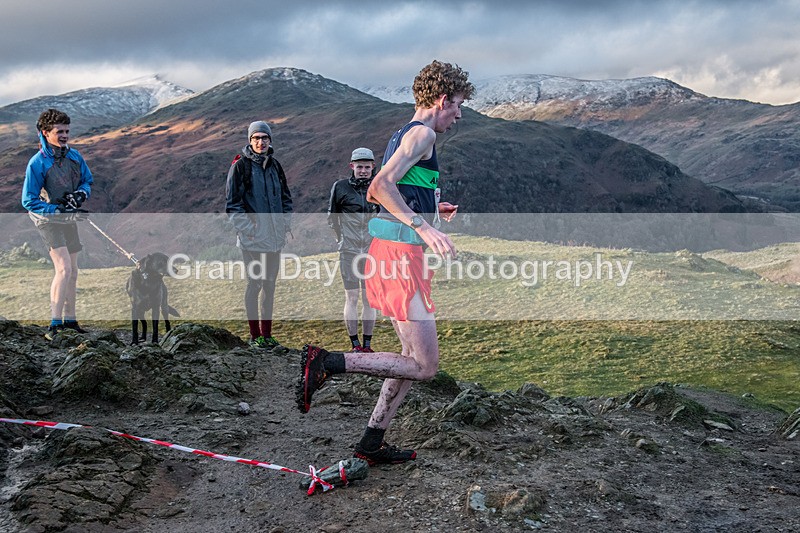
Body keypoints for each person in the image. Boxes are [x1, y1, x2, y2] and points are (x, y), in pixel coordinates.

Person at [297, 60, 472, 466]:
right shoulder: (424, 133)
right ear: (442, 100)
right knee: (426, 366)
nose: (460, 114)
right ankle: (327, 362)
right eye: (458, 105)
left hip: (391, 253)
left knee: (409, 360)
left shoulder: (404, 133)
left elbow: (398, 187)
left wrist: (430, 210)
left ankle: (371, 441)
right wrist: (424, 228)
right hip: (400, 258)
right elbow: (379, 187)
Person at [21, 108, 93, 340]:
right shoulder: (37, 163)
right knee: (63, 269)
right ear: (45, 132)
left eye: (67, 131)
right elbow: (28, 200)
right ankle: (54, 324)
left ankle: (70, 321)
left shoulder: (74, 156)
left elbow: (87, 180)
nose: (64, 135)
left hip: (68, 217)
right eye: (59, 131)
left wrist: (80, 194)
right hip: (47, 220)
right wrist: (56, 209)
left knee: (73, 271)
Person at [226, 121, 293, 349]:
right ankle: (255, 337)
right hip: (252, 241)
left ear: (270, 140)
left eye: (265, 137)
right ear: (249, 140)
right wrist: (251, 230)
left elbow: (285, 198)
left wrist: (285, 224)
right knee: (254, 285)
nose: (261, 142)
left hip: (274, 240)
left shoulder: (275, 166)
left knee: (270, 286)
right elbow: (232, 205)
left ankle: (267, 335)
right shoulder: (240, 167)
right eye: (256, 138)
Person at [327, 147, 379, 353]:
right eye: (360, 167)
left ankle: (367, 345)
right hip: (348, 251)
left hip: (371, 252)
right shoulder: (340, 187)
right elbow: (333, 217)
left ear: (373, 167)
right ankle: (355, 345)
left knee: (369, 299)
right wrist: (342, 239)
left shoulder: (379, 187)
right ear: (352, 167)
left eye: (367, 167)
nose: (364, 171)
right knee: (352, 297)